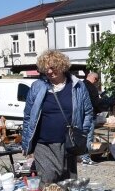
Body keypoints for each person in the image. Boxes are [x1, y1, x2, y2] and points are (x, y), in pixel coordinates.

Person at [22, 50, 93, 184]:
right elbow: (28, 116)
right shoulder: (37, 87)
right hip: (43, 143)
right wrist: (26, 142)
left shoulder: (77, 86)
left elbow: (88, 112)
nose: (48, 71)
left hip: (68, 143)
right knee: (48, 178)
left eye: (52, 68)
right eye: (45, 68)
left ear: (61, 66)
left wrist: (82, 133)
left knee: (68, 182)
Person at [81, 71, 101, 166]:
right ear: (95, 79)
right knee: (88, 136)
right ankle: (86, 158)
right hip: (89, 115)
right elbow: (96, 103)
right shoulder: (92, 88)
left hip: (79, 115)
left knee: (81, 136)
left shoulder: (79, 85)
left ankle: (81, 156)